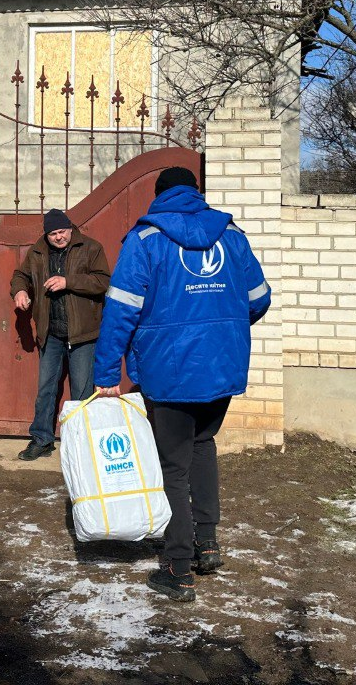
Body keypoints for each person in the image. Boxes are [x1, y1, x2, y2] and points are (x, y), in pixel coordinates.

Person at [92, 167, 271, 602]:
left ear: (159, 196)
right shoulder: (232, 236)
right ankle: (207, 544)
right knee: (203, 446)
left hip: (168, 371)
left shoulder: (146, 241)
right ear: (196, 192)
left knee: (173, 466)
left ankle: (177, 567)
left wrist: (104, 374)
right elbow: (259, 299)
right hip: (221, 367)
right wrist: (221, 329)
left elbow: (121, 312)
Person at [10, 208, 111, 461]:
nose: (58, 237)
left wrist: (69, 281)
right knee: (45, 389)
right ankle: (42, 440)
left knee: (82, 392)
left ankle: (82, 444)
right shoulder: (37, 251)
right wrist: (20, 291)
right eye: (53, 234)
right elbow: (20, 275)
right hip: (50, 332)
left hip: (82, 334)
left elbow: (103, 281)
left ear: (70, 228)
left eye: (62, 232)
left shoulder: (90, 247)